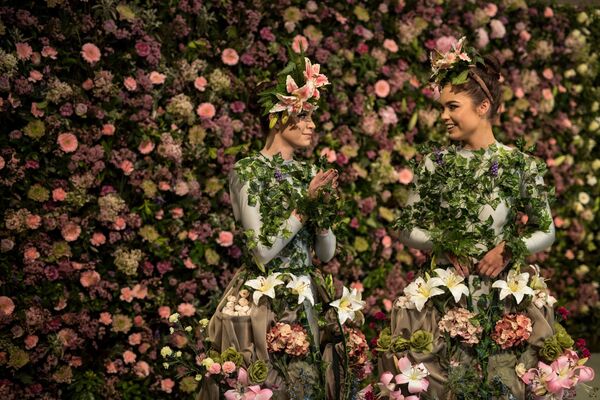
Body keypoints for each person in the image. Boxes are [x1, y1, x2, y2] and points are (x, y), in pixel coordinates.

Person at [379, 38, 564, 400]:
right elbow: (405, 227)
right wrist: (443, 245)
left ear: (483, 106)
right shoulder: (435, 163)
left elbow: (547, 231)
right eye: (441, 107)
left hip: (504, 297)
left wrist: (508, 250)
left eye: (452, 106)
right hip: (445, 295)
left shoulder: (520, 164)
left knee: (504, 384)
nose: (443, 116)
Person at [199, 56, 340, 399]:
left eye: (311, 117)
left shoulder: (309, 173)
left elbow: (326, 253)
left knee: (309, 384)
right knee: (269, 385)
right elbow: (261, 251)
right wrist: (304, 206)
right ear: (278, 117)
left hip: (306, 293)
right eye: (303, 115)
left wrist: (321, 215)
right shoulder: (248, 171)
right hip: (266, 298)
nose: (310, 125)